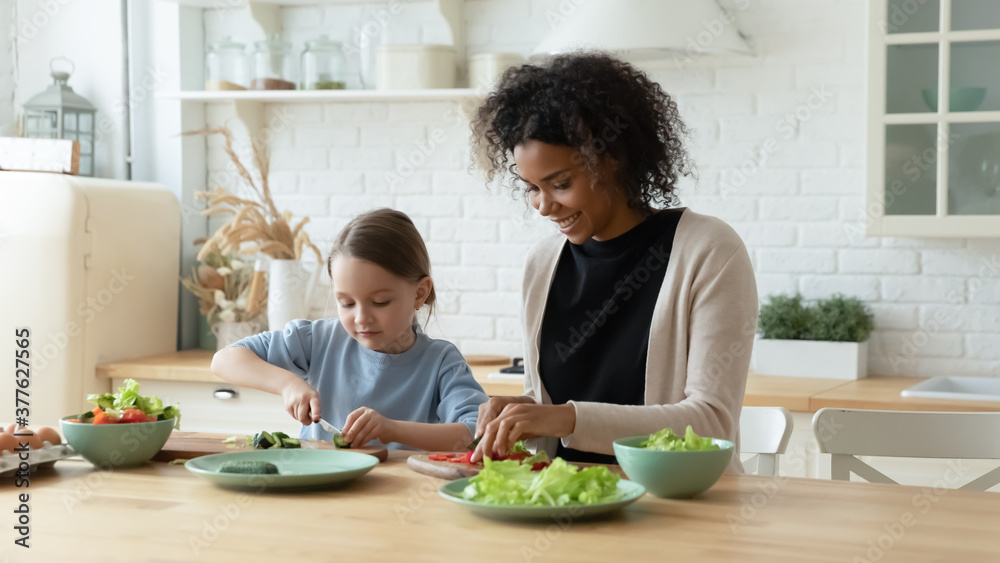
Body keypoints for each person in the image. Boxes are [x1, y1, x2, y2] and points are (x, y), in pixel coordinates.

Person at [468, 52, 758, 471]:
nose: (544, 206)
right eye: (531, 187)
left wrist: (565, 416)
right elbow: (552, 408)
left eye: (561, 183)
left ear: (612, 157)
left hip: (674, 508)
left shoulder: (708, 251)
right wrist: (521, 411)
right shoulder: (543, 263)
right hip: (564, 499)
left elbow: (710, 424)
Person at [211, 208, 488, 451]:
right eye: (346, 303)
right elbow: (224, 359)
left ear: (419, 293)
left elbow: (475, 435)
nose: (361, 318)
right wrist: (288, 384)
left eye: (380, 302)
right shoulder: (317, 340)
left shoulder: (441, 362)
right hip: (322, 492)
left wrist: (390, 429)